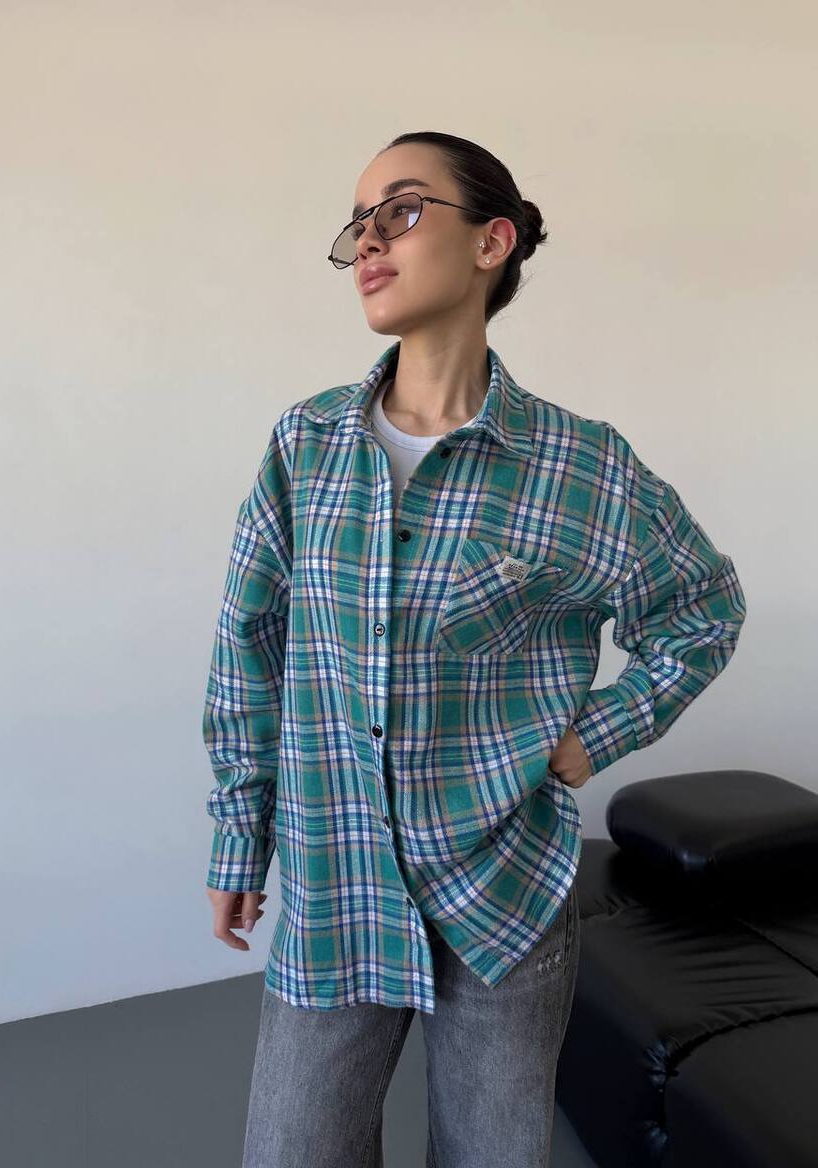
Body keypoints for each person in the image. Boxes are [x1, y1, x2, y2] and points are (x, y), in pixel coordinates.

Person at [202, 131, 747, 1168]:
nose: (368, 241)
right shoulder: (306, 445)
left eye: (401, 211)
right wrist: (241, 833)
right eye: (357, 223)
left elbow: (702, 607)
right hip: (335, 885)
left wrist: (590, 738)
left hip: (505, 893)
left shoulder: (582, 467)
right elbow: (250, 648)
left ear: (492, 241)